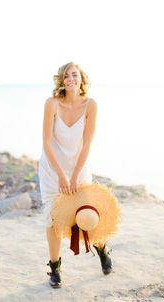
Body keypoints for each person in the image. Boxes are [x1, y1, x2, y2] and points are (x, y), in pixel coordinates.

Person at [38, 62, 112, 288]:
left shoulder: (91, 105)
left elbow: (87, 143)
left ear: (82, 79)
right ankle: (54, 268)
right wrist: (61, 176)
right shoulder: (51, 104)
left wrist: (74, 176)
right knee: (52, 219)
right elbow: (47, 142)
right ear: (61, 80)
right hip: (52, 170)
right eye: (66, 75)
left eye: (75, 75)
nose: (71, 78)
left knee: (86, 216)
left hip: (79, 168)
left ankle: (102, 249)